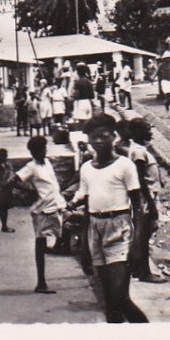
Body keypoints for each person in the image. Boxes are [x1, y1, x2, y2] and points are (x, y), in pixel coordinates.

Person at [68, 114, 148, 323]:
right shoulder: (86, 168)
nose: (99, 142)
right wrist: (85, 245)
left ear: (113, 136)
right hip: (95, 228)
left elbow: (138, 207)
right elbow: (87, 206)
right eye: (94, 138)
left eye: (104, 136)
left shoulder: (125, 165)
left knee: (120, 298)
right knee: (109, 305)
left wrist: (138, 243)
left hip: (119, 228)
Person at [7, 136, 66, 293]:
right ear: (34, 152)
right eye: (41, 149)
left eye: (45, 148)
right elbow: (12, 182)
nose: (44, 151)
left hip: (56, 205)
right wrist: (30, 191)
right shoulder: (31, 167)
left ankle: (56, 248)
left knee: (63, 232)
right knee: (40, 242)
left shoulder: (47, 163)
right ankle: (41, 283)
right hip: (42, 209)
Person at [128, 118, 167, 283]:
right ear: (137, 132)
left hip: (148, 196)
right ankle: (144, 272)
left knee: (144, 234)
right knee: (143, 236)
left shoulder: (141, 149)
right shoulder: (138, 152)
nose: (150, 132)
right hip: (146, 198)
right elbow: (139, 179)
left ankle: (138, 268)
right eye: (146, 129)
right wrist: (151, 203)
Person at [0, 148, 16, 233]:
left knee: (5, 207)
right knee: (2, 207)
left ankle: (4, 225)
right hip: (2, 188)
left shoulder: (8, 164)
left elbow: (12, 174)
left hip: (7, 187)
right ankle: (4, 226)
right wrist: (0, 183)